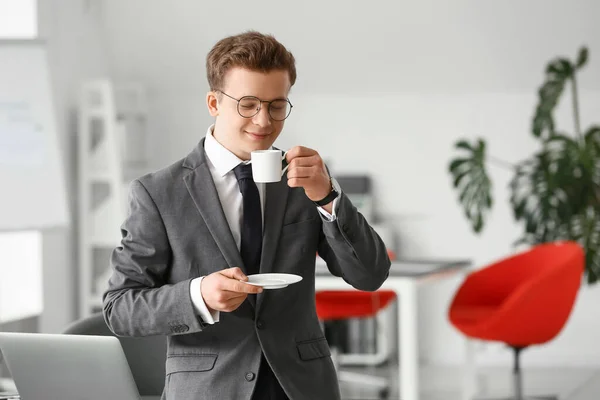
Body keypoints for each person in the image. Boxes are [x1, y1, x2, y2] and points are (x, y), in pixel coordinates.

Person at [102, 30, 391, 400]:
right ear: (213, 102)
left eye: (276, 105)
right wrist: (198, 295)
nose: (263, 121)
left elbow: (369, 274)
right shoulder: (159, 193)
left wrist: (327, 196)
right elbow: (120, 308)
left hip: (302, 386)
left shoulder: (304, 179)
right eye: (248, 104)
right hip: (208, 388)